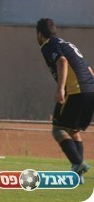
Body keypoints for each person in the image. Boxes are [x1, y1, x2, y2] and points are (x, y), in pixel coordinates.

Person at [36, 18, 94, 182]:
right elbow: (88, 68)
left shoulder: (48, 45)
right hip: (90, 89)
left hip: (75, 91)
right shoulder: (67, 44)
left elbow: (62, 61)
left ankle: (78, 162)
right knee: (73, 130)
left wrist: (60, 88)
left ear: (39, 34)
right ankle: (78, 174)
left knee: (58, 129)